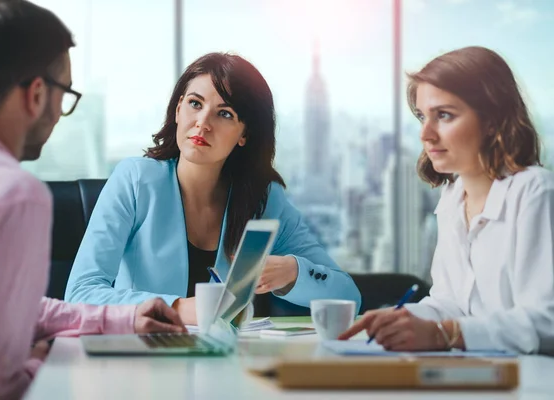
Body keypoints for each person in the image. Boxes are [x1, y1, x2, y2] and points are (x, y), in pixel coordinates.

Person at [0, 1, 185, 399]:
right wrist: (42, 361)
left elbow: (6, 310)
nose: (60, 114)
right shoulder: (12, 195)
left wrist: (122, 319)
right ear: (38, 94)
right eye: (65, 94)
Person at [64, 52, 361, 324]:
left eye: (225, 113)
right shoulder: (135, 180)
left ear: (245, 134)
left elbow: (349, 296)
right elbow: (80, 293)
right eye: (195, 104)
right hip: (144, 364)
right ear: (178, 109)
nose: (203, 123)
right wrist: (180, 308)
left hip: (228, 368)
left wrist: (293, 273)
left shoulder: (265, 200)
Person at [339, 46, 554, 355]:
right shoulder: (453, 198)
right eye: (422, 116)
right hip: (474, 376)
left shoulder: (535, 193)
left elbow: (547, 322)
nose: (425, 134)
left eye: (444, 115)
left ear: (492, 120)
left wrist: (444, 334)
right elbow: (449, 303)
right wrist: (401, 319)